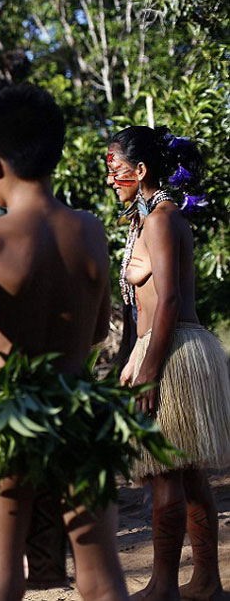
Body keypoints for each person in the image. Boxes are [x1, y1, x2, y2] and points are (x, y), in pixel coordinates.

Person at [0, 84, 127, 601]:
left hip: (5, 419)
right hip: (81, 415)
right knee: (102, 577)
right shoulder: (89, 231)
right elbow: (94, 332)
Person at [108, 125, 230, 601]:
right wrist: (129, 358)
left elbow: (171, 298)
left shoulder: (161, 219)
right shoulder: (152, 219)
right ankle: (206, 581)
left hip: (172, 349)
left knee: (163, 468)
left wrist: (149, 370)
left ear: (140, 172)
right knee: (191, 470)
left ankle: (163, 586)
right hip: (171, 345)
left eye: (116, 169)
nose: (111, 178)